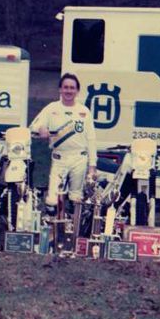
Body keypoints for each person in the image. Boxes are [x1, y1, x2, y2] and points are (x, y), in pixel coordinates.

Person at [30, 73, 97, 216]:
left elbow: (91, 139)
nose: (68, 91)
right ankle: (53, 231)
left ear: (77, 91)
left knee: (76, 198)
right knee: (51, 201)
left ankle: (73, 230)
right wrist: (41, 129)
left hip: (79, 158)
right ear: (60, 89)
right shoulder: (51, 109)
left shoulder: (84, 111)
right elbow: (34, 126)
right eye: (65, 87)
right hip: (59, 158)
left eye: (72, 88)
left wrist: (92, 167)